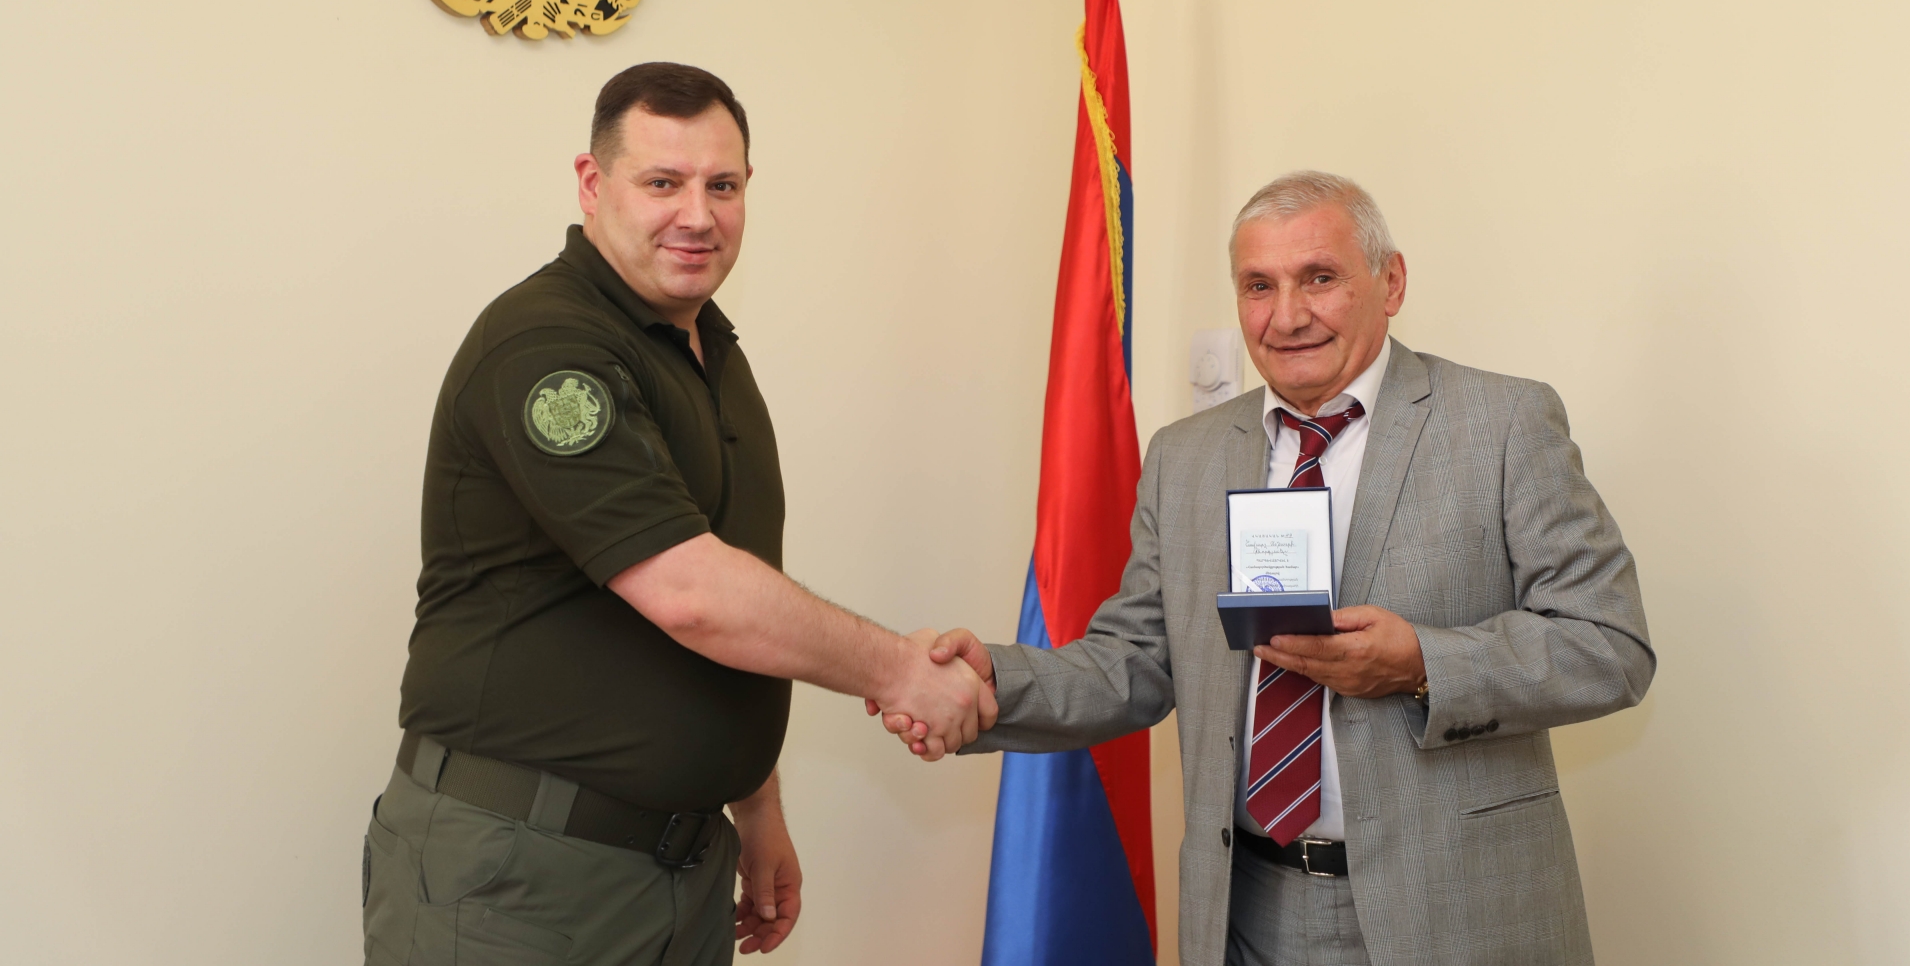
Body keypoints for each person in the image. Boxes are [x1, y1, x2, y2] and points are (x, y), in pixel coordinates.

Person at [880, 170, 1653, 966]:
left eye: (1319, 278)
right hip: (1247, 914)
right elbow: (1134, 661)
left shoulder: (1502, 423)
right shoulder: (1184, 458)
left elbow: (1610, 645)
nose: (1286, 316)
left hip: (1455, 915)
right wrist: (995, 685)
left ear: (1390, 282)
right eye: (1259, 286)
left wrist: (1421, 664)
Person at [363, 62, 993, 966]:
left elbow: (733, 593)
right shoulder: (548, 345)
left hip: (680, 866)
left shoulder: (706, 348)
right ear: (593, 184)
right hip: (521, 876)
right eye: (663, 182)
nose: (697, 215)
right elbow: (690, 593)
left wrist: (755, 804)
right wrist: (900, 671)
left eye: (722, 186)